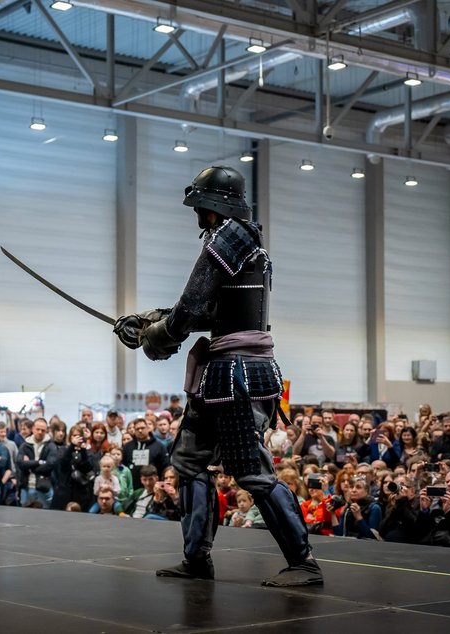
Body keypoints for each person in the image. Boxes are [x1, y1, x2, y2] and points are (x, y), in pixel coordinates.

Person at [113, 166, 321, 587]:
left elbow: (191, 308)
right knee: (189, 461)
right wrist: (148, 319)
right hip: (224, 372)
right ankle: (196, 559)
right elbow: (210, 310)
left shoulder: (233, 237)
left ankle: (303, 562)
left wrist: (158, 335)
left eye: (200, 208)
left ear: (215, 205)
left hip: (237, 373)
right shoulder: (240, 242)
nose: (197, 217)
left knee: (251, 472)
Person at [16, 418, 56, 509]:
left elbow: (50, 465)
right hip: (26, 487)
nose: (40, 432)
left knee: (44, 517)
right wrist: (39, 462)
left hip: (43, 487)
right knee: (24, 517)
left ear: (46, 431)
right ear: (33, 429)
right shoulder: (24, 445)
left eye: (43, 430)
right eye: (38, 429)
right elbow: (20, 463)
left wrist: (30, 466)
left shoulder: (51, 446)